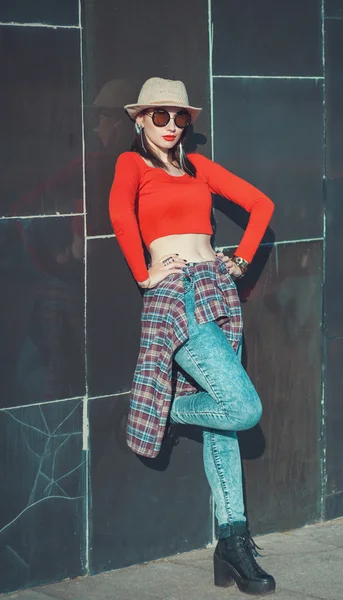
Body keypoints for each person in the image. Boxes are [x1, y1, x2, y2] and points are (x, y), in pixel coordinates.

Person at [109, 77, 276, 596]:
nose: (170, 126)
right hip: (176, 295)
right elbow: (119, 213)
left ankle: (233, 541)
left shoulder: (199, 168)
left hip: (217, 292)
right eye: (159, 116)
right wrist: (144, 273)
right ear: (140, 120)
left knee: (224, 426)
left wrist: (240, 261)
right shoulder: (132, 165)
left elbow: (262, 206)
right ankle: (165, 411)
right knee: (242, 408)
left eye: (180, 117)